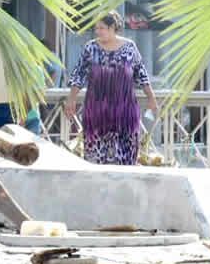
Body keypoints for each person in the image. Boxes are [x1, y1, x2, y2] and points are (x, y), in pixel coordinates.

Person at [64, 11, 158, 165]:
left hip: (125, 112)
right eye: (96, 28)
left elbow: (141, 74)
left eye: (101, 28)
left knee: (126, 160)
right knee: (95, 160)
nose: (98, 31)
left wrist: (151, 98)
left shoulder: (130, 47)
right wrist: (71, 99)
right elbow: (78, 74)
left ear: (113, 27)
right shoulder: (90, 48)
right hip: (96, 113)